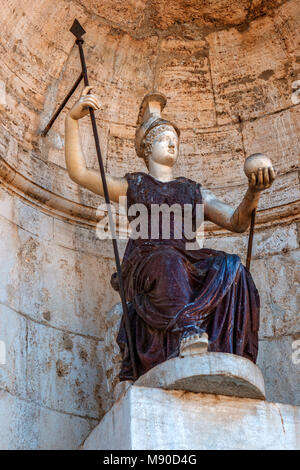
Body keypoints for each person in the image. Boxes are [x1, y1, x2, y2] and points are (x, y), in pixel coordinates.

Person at [65, 87, 275, 381]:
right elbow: (80, 173)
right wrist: (72, 120)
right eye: (165, 139)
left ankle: (226, 351)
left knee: (233, 267)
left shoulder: (193, 190)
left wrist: (253, 192)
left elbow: (237, 221)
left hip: (189, 258)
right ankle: (185, 332)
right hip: (147, 261)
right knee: (167, 259)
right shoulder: (134, 185)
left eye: (175, 140)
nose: (172, 144)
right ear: (148, 147)